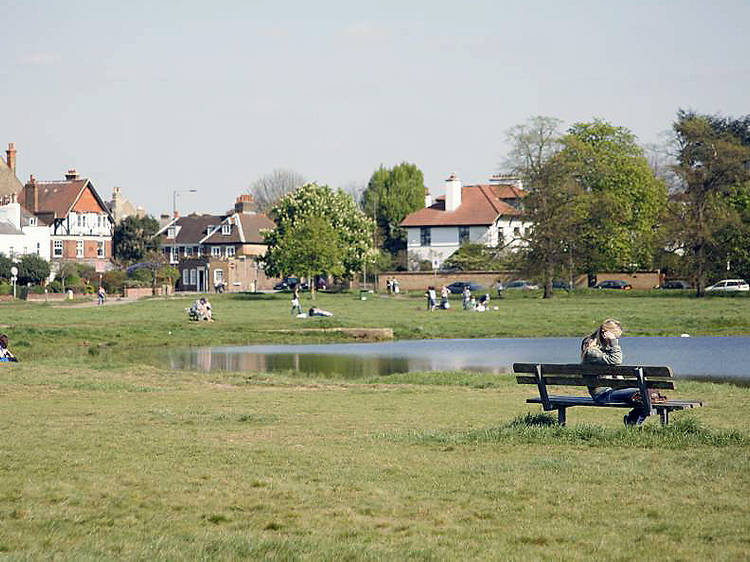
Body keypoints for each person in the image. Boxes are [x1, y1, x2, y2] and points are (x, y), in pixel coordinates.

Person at [580, 318, 647, 426]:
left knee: (646, 394)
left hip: (609, 391)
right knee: (643, 395)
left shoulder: (599, 349)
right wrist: (613, 343)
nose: (616, 340)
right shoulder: (592, 352)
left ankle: (632, 421)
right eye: (615, 337)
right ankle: (632, 422)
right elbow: (616, 360)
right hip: (602, 395)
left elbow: (613, 363)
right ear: (605, 334)